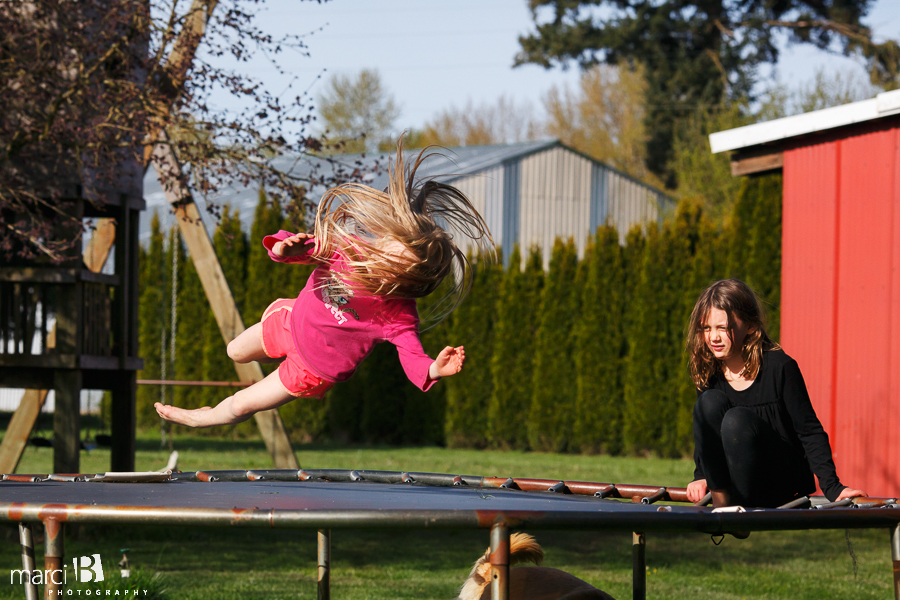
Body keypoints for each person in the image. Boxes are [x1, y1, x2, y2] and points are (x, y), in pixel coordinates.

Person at [155, 140, 493, 428]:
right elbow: (297, 248)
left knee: (242, 405)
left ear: (407, 282)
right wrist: (282, 247)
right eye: (383, 256)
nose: (378, 268)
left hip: (312, 368)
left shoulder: (397, 314)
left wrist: (433, 369)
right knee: (235, 351)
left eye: (393, 271)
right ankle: (280, 316)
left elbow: (411, 355)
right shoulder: (351, 251)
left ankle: (203, 416)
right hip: (291, 322)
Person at [684, 279, 866, 508]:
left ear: (750, 327)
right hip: (734, 480)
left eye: (723, 328)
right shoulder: (709, 370)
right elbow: (706, 434)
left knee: (736, 420)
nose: (713, 337)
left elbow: (809, 431)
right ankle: (723, 507)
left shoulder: (780, 367)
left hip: (780, 478)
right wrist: (701, 474)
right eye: (706, 328)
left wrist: (833, 487)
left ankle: (739, 512)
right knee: (707, 403)